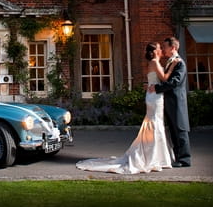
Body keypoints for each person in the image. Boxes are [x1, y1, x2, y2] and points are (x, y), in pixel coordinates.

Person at [76, 42, 177, 174]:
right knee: (154, 124)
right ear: (155, 51)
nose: (161, 49)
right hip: (155, 98)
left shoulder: (155, 63)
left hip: (155, 95)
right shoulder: (154, 62)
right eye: (159, 47)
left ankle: (156, 156)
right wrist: (172, 67)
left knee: (155, 123)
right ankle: (152, 157)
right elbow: (164, 78)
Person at [153, 36, 191, 167]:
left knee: (180, 130)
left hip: (177, 102)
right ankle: (178, 158)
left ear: (173, 47)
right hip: (170, 102)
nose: (163, 49)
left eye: (165, 47)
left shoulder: (179, 62)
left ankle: (185, 159)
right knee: (174, 131)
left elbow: (174, 82)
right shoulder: (171, 62)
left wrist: (157, 88)